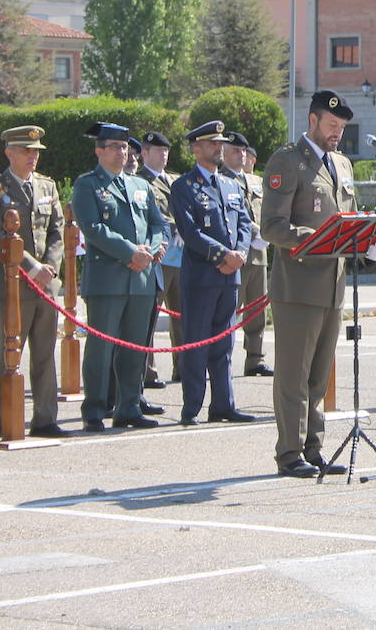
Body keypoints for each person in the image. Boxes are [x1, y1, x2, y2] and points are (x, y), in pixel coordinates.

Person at [260, 91, 360, 478]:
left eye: (342, 128)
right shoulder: (287, 161)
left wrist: (365, 241)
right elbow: (272, 227)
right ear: (313, 120)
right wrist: (319, 240)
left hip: (334, 284)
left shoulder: (342, 164)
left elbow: (348, 217)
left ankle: (313, 448)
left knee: (319, 376)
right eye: (332, 125)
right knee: (294, 376)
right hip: (298, 284)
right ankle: (289, 453)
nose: (337, 133)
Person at [71, 122, 168, 432]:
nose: (122, 152)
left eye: (125, 147)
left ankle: (129, 406)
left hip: (141, 279)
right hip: (108, 279)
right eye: (114, 147)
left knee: (134, 347)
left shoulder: (139, 185)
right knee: (101, 349)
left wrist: (151, 249)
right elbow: (93, 228)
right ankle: (95, 409)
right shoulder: (87, 185)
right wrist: (130, 252)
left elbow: (157, 224)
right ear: (99, 151)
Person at [0, 125, 67, 439]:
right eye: (26, 151)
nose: (33, 156)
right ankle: (5, 419)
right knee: (7, 355)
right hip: (13, 284)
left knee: (44, 354)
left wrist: (50, 267)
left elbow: (57, 230)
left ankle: (45, 418)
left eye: (36, 151)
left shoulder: (46, 186)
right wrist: (32, 267)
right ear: (9, 153)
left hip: (45, 285)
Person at [169, 122, 255, 426]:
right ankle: (191, 407)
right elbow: (190, 232)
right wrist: (223, 256)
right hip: (202, 277)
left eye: (220, 143)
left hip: (229, 277)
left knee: (224, 345)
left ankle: (223, 405)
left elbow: (244, 223)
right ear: (196, 148)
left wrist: (240, 254)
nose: (218, 148)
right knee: (197, 344)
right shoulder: (184, 186)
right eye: (211, 143)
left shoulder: (231, 185)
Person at [223, 132, 272, 377]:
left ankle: (256, 358)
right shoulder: (220, 181)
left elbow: (267, 210)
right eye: (235, 150)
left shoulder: (255, 181)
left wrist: (269, 231)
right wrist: (257, 232)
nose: (241, 154)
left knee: (257, 311)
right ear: (223, 153)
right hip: (235, 254)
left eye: (243, 150)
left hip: (259, 254)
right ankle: (222, 360)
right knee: (229, 311)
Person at [137, 131, 180, 389]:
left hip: (182, 256)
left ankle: (182, 367)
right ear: (145, 153)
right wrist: (178, 227)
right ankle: (148, 372)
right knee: (150, 316)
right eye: (158, 150)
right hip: (159, 255)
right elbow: (152, 216)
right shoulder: (140, 181)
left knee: (183, 315)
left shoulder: (174, 180)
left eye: (166, 150)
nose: (164, 155)